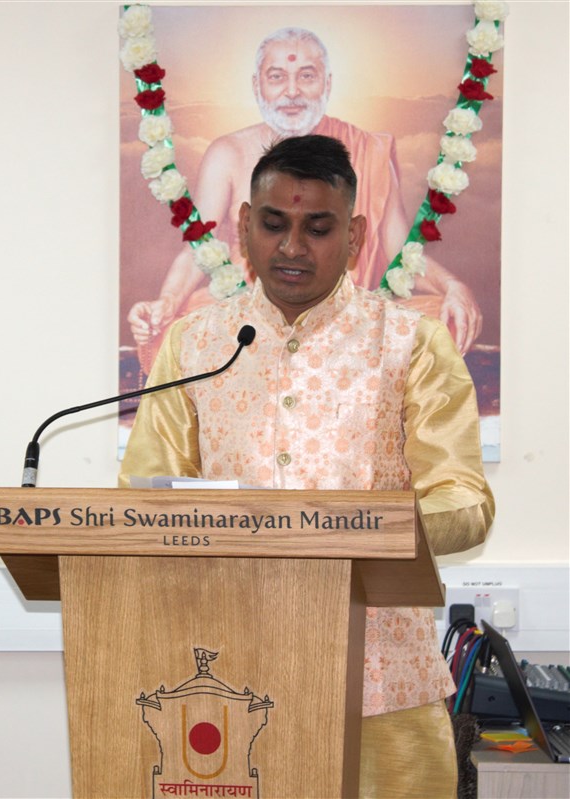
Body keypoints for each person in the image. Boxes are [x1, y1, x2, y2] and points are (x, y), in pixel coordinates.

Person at [120, 134, 495, 797]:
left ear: (354, 236)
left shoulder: (411, 343)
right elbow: (145, 499)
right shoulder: (195, 343)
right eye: (274, 224)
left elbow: (464, 500)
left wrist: (355, 530)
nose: (292, 246)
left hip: (381, 676)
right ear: (243, 225)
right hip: (222, 680)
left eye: (318, 228)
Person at [127, 26, 482, 361]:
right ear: (257, 85)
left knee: (442, 322)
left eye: (307, 76)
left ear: (327, 83)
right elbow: (198, 251)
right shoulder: (228, 153)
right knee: (175, 333)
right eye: (277, 77)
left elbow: (402, 254)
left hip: (347, 325)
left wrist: (451, 285)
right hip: (250, 325)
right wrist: (166, 302)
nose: (292, 91)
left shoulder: (367, 150)